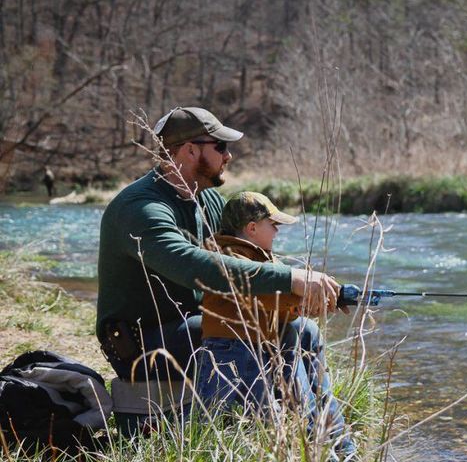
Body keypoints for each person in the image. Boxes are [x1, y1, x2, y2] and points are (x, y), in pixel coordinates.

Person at [96, 107, 341, 383]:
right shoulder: (141, 208)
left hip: (197, 324)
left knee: (303, 329)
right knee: (267, 332)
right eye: (220, 146)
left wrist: (292, 299)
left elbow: (243, 256)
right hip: (141, 348)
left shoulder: (208, 199)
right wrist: (290, 279)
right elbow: (192, 266)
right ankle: (269, 420)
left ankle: (321, 425)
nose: (228, 156)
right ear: (189, 150)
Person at [195, 191, 355, 457]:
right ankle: (326, 459)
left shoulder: (260, 256)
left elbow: (276, 304)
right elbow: (263, 295)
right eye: (274, 225)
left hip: (257, 348)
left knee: (293, 405)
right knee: (266, 422)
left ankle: (340, 453)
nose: (277, 232)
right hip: (234, 352)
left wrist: (318, 301)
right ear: (252, 228)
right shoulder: (231, 258)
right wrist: (301, 301)